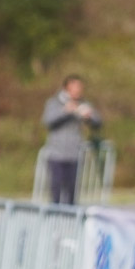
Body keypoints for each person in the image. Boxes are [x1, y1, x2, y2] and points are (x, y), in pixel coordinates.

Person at [41, 75, 102, 205]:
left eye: (79, 88)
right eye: (74, 88)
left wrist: (89, 117)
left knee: (72, 191)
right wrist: (66, 112)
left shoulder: (83, 103)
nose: (77, 91)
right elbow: (48, 121)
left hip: (75, 153)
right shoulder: (54, 102)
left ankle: (71, 220)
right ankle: (55, 217)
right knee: (56, 188)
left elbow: (98, 123)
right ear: (66, 88)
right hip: (56, 153)